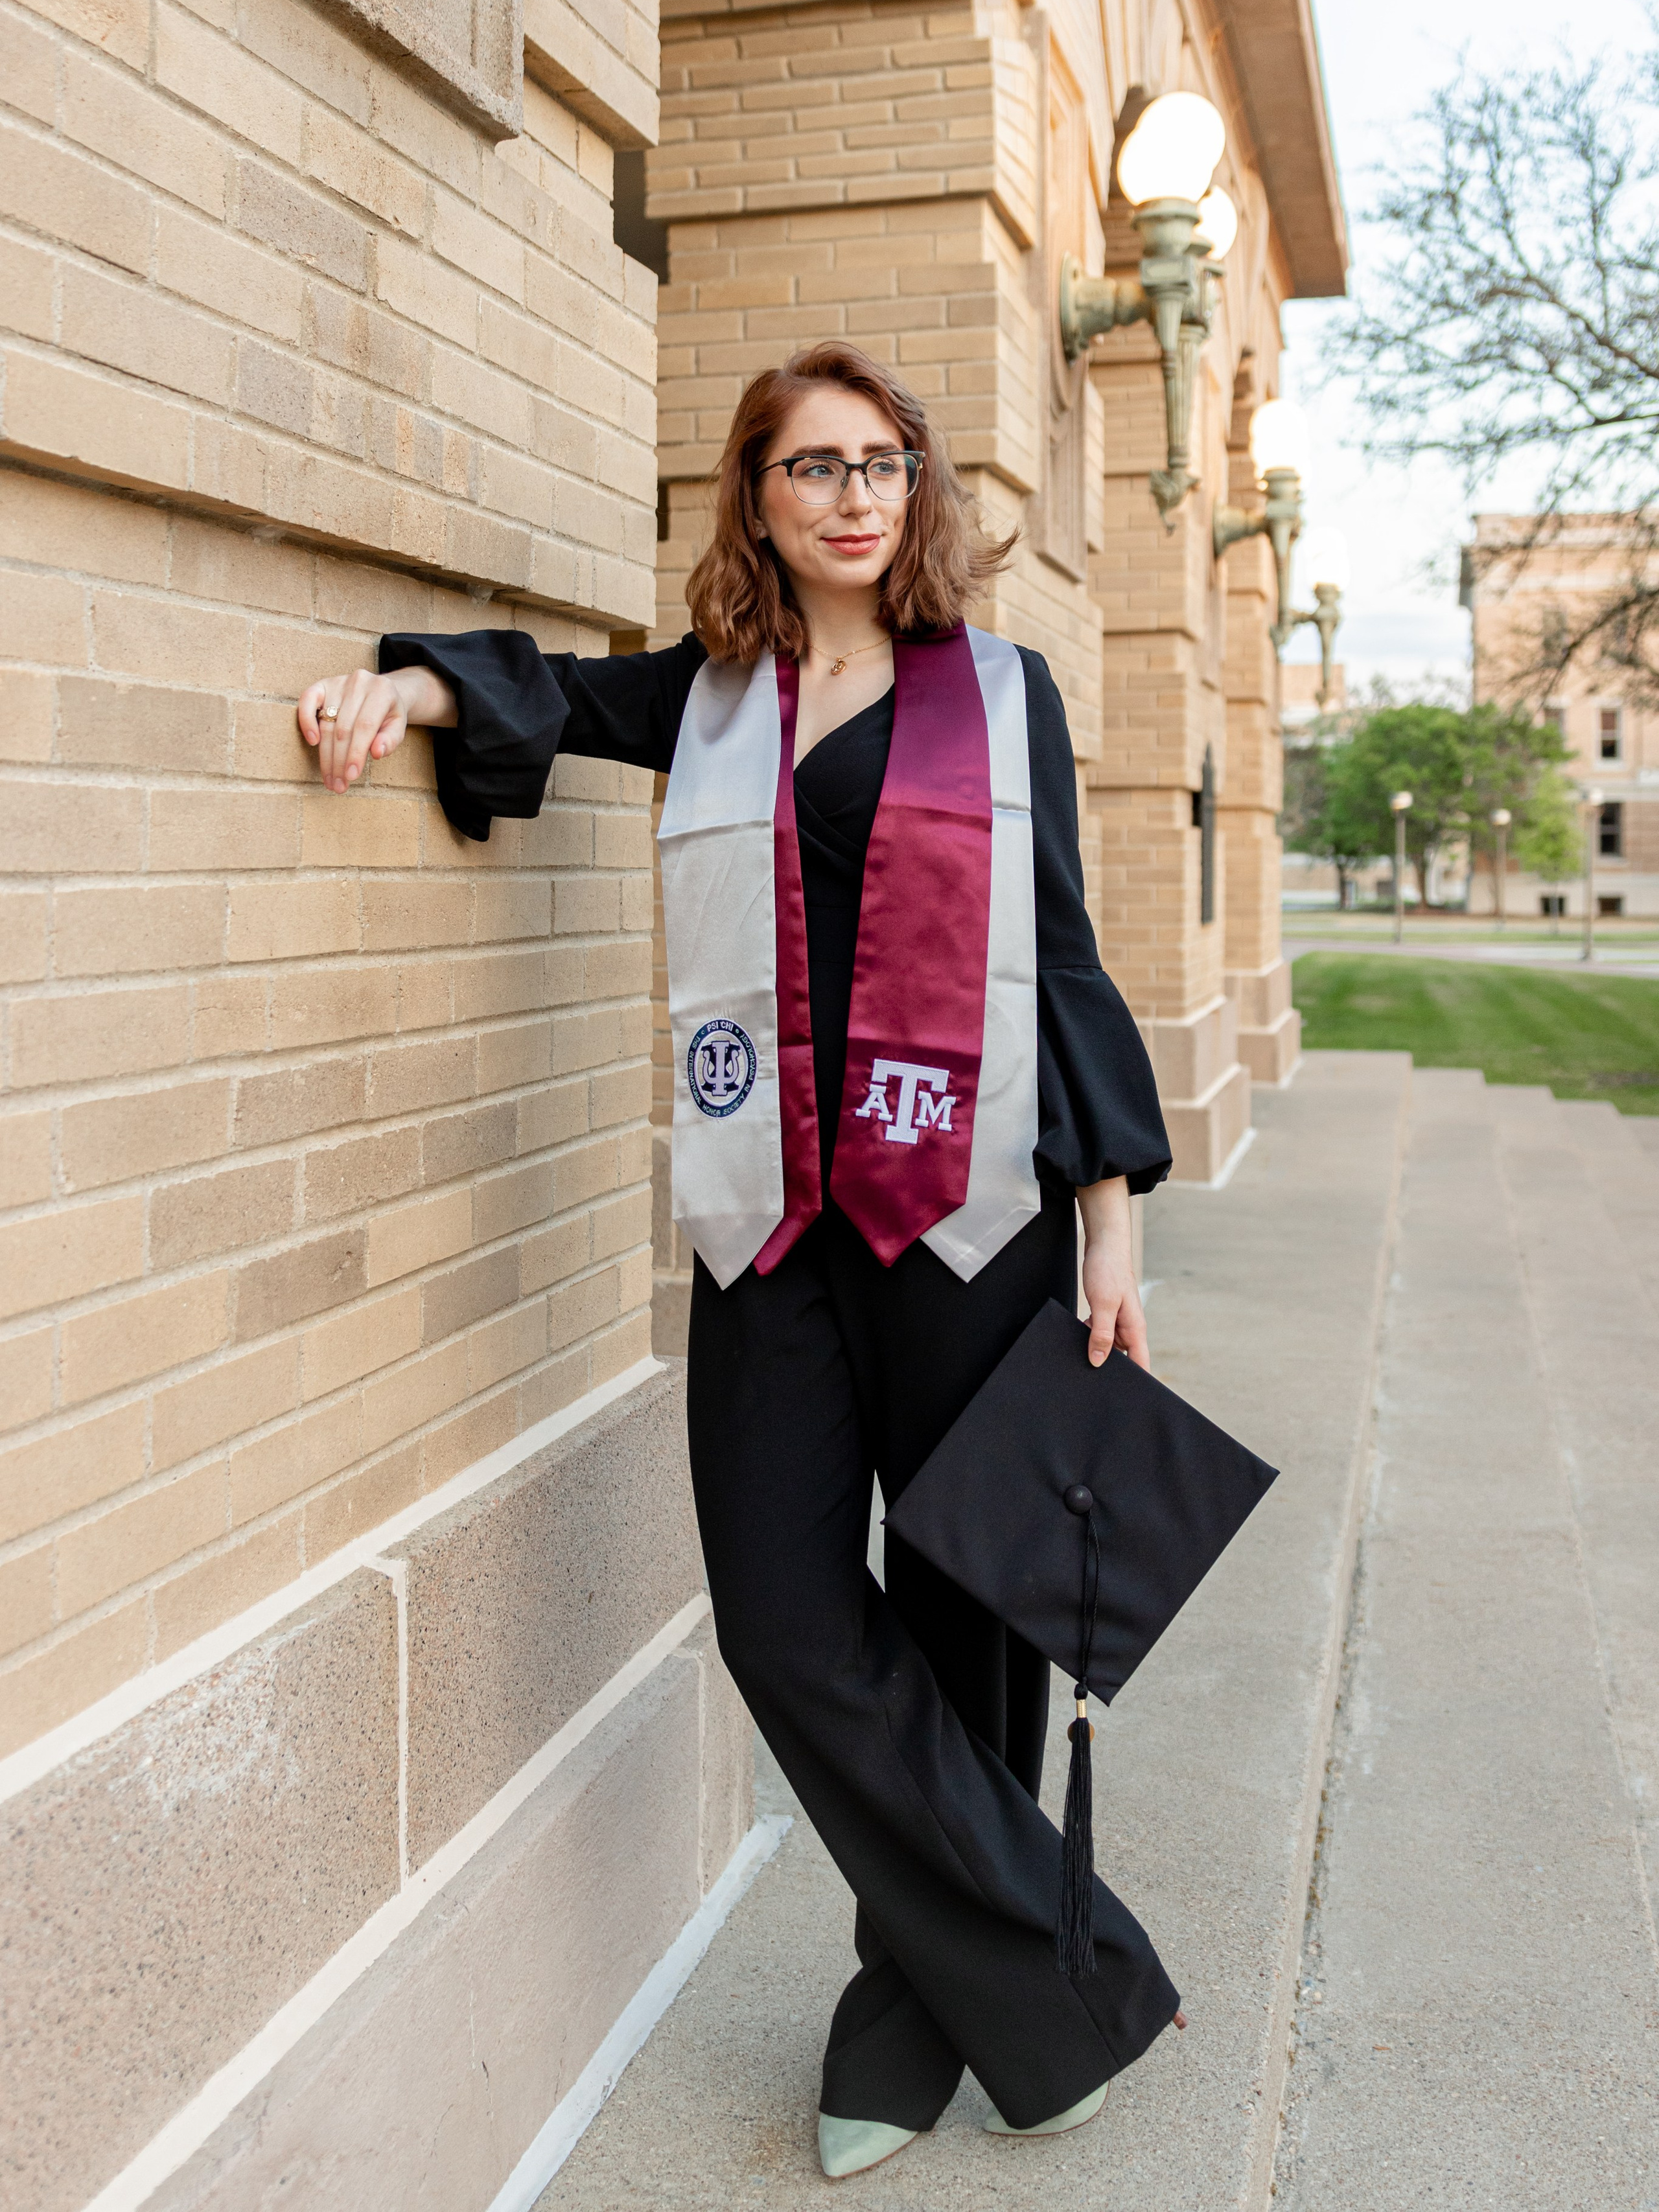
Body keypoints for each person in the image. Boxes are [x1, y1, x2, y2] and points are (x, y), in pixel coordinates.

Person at [297, 341, 1182, 2180]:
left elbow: (1068, 956)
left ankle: (911, 2014)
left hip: (970, 1225)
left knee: (966, 1645)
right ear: (758, 501)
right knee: (787, 1621)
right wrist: (392, 686)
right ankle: (1068, 1958)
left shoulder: (1002, 694)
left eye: (885, 465)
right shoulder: (705, 701)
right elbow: (532, 693)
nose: (857, 496)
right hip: (765, 1231)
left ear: (916, 489)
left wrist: (1115, 1216)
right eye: (814, 469)